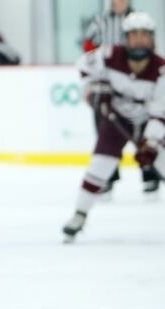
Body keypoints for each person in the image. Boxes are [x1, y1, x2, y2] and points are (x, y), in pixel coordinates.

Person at [63, 12, 165, 242]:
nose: (139, 40)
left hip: (148, 123)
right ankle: (79, 216)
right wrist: (93, 89)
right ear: (125, 38)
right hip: (115, 120)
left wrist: (150, 143)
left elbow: (161, 113)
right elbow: (83, 67)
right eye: (134, 35)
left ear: (152, 39)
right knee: (99, 168)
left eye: (144, 35)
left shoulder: (161, 70)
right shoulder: (108, 55)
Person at [82, 0, 156, 194]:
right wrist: (95, 78)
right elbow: (88, 46)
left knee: (146, 128)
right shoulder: (101, 20)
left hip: (135, 79)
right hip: (109, 82)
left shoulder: (139, 18)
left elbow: (149, 46)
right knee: (106, 131)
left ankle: (150, 172)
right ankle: (108, 176)